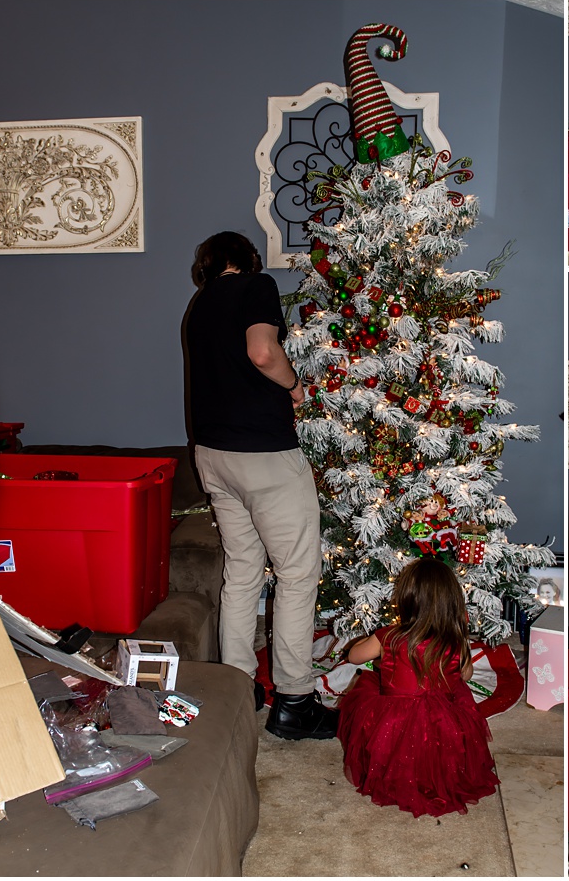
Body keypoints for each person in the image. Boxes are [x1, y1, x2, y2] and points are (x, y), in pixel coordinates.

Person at [185, 230, 337, 740]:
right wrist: (296, 387)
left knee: (243, 569)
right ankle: (295, 699)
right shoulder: (255, 286)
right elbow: (262, 352)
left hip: (212, 454)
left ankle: (237, 684)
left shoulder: (199, 305)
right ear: (245, 260)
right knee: (297, 573)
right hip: (263, 454)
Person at [337, 557, 500, 817]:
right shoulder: (456, 640)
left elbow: (354, 657)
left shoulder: (389, 635)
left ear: (408, 598)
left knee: (365, 690)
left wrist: (372, 650)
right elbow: (466, 675)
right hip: (441, 723)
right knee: (458, 695)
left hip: (393, 724)